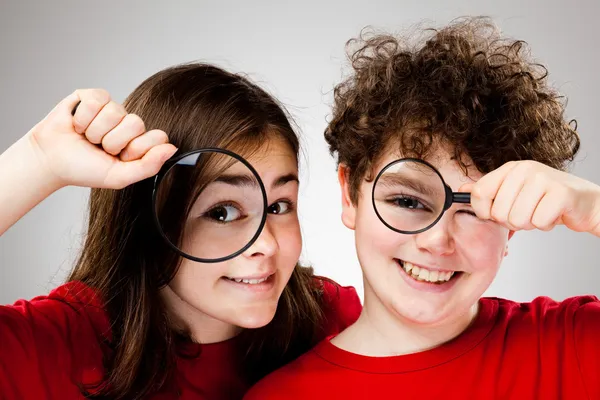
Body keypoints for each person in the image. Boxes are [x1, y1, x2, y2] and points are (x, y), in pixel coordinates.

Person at [244, 17, 600, 399]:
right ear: (349, 196)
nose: (437, 240)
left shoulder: (574, 343)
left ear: (510, 226)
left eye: (475, 209)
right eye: (408, 201)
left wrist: (596, 209)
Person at [0, 63, 361, 399]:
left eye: (278, 206)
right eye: (222, 212)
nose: (265, 244)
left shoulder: (333, 320)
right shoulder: (58, 342)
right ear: (149, 218)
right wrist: (38, 159)